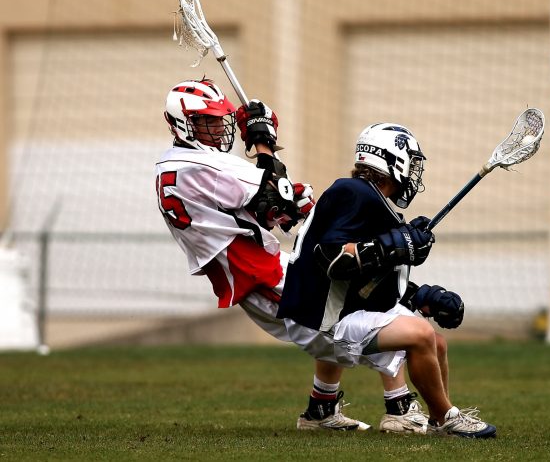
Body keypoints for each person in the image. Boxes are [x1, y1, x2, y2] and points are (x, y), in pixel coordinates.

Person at [155, 78, 423, 433]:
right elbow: (273, 195)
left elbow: (266, 209)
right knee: (352, 318)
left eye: (220, 119)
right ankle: (400, 408)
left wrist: (293, 202)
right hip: (255, 272)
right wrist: (264, 144)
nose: (218, 126)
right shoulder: (204, 166)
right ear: (179, 122)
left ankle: (321, 411)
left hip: (255, 263)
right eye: (207, 120)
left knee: (336, 300)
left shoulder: (176, 163)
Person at [277, 122, 497, 438]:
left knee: (435, 342)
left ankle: (427, 416)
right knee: (420, 335)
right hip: (319, 320)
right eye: (412, 163)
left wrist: (422, 297)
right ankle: (443, 418)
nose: (414, 174)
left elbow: (373, 282)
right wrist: (394, 245)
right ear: (392, 161)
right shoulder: (353, 192)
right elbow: (332, 259)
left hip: (337, 310)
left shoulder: (371, 202)